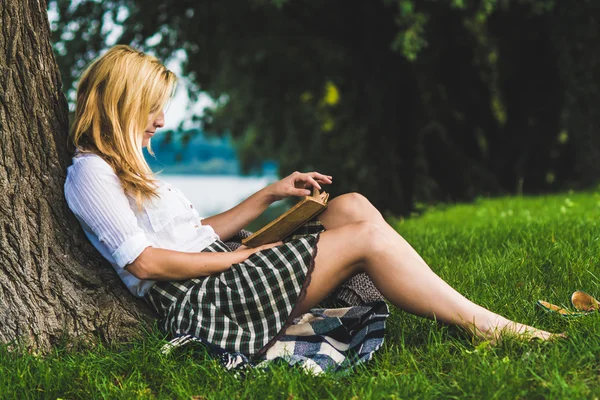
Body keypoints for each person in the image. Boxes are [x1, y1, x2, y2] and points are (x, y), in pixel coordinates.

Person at [64, 45, 559, 370]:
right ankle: (490, 328)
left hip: (215, 269)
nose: (161, 120)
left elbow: (194, 231)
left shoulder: (121, 168)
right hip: (202, 300)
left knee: (350, 207)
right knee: (363, 237)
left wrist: (271, 195)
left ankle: (442, 301)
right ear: (122, 102)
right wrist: (235, 258)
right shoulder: (91, 173)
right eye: (153, 107)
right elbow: (144, 262)